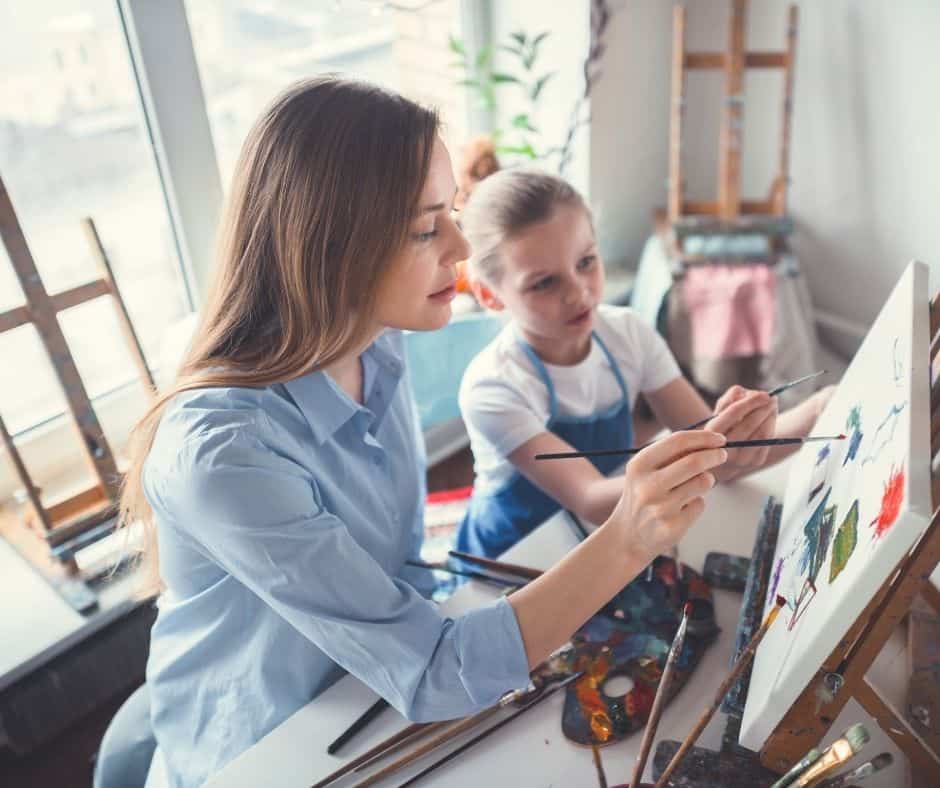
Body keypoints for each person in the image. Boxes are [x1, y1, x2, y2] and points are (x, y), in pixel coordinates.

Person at [119, 77, 731, 787]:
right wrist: (629, 535)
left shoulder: (374, 343)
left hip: (375, 687)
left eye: (452, 213)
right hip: (269, 749)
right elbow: (436, 670)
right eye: (424, 226)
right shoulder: (223, 455)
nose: (463, 244)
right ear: (329, 249)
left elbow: (402, 586)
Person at [456, 169, 833, 558]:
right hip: (518, 554)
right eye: (543, 283)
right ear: (489, 294)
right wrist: (715, 459)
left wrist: (818, 408)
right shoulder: (493, 387)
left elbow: (719, 450)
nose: (578, 291)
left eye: (586, 261)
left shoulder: (629, 335)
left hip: (611, 529)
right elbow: (589, 497)